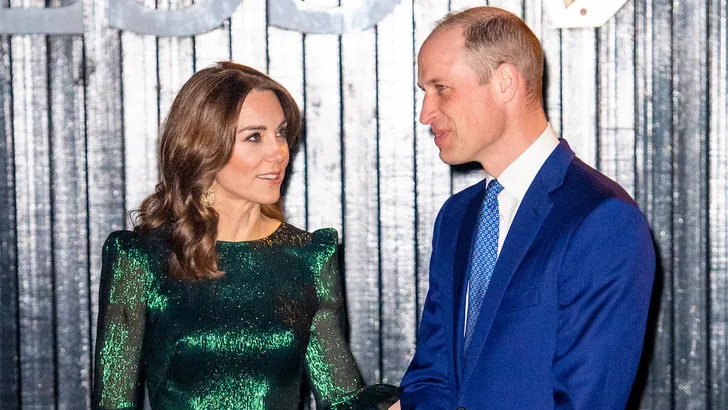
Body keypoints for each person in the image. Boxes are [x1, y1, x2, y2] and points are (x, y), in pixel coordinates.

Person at [92, 61, 398, 410]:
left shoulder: (309, 258)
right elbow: (112, 403)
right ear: (203, 147)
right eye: (255, 137)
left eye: (281, 133)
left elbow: (340, 398)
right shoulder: (140, 259)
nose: (279, 152)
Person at [399, 6, 655, 409]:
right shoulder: (457, 217)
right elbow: (432, 375)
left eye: (441, 88)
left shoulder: (602, 220)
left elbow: (585, 401)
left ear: (504, 82)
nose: (425, 114)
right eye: (424, 92)